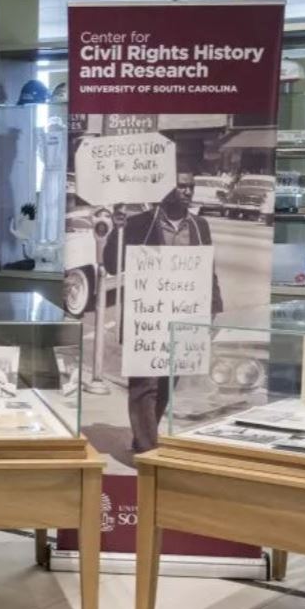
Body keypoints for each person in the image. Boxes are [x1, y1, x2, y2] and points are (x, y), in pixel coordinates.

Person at [103, 165, 224, 454]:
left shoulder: (199, 226)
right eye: (181, 185)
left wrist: (213, 306)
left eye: (190, 186)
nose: (186, 190)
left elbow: (208, 269)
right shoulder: (138, 224)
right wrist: (115, 233)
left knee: (170, 380)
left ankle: (145, 432)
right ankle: (147, 448)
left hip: (185, 312)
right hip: (148, 314)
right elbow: (112, 264)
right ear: (164, 189)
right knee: (145, 382)